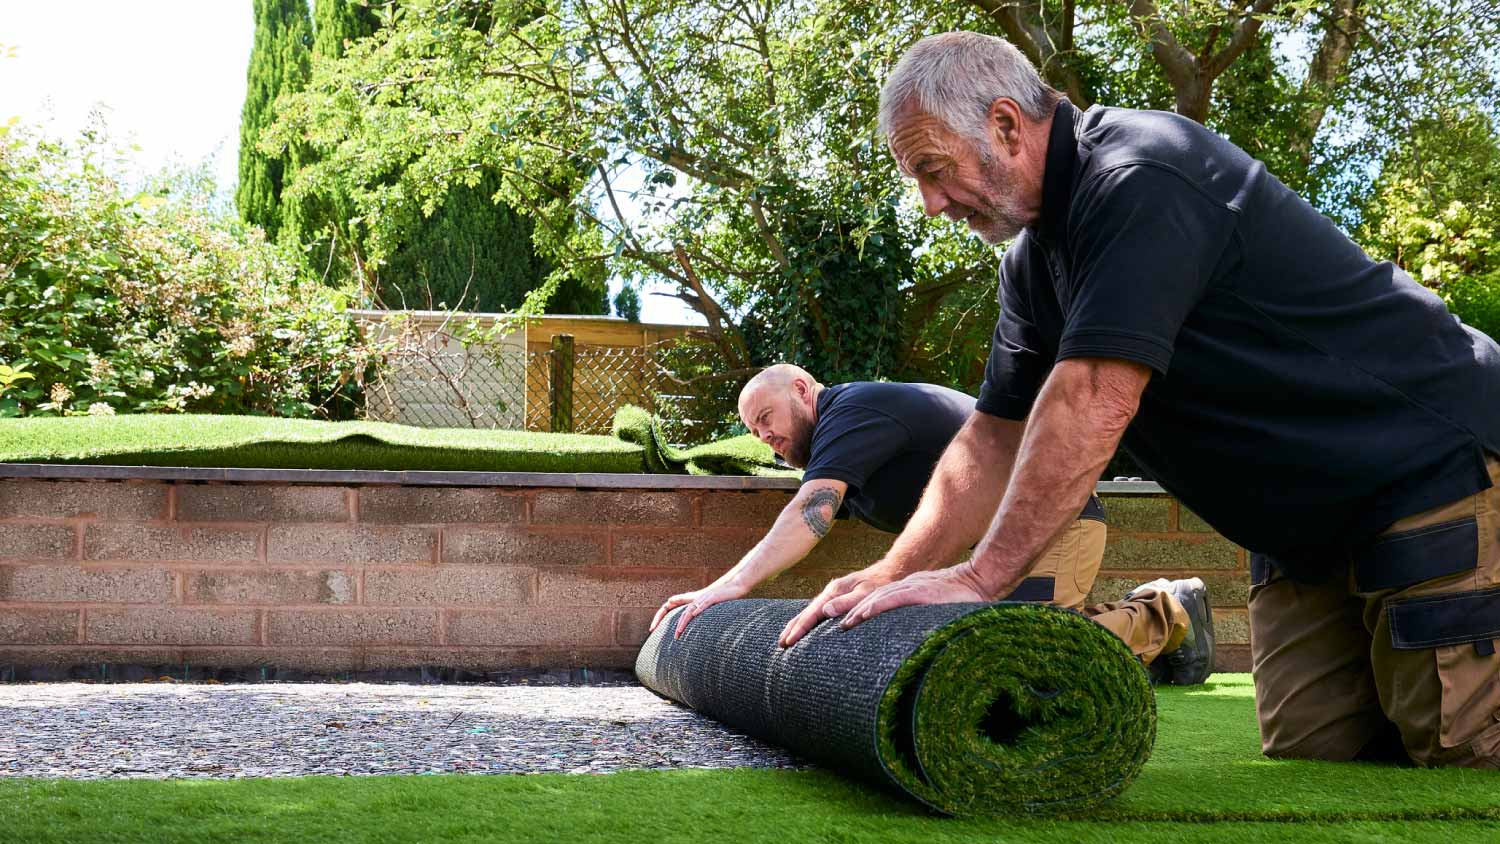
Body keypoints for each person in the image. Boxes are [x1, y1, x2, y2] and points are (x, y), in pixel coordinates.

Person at [782, 31, 1500, 769]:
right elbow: (992, 438)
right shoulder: (1033, 264)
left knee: (1463, 753)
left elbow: (1093, 396)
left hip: (1427, 470)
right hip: (1303, 537)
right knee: (1318, 755)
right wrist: (890, 576)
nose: (931, 205)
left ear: (1005, 123)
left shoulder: (1141, 175)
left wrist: (979, 578)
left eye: (934, 171)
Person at [650, 363, 1216, 684]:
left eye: (766, 419)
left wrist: (727, 587)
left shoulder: (850, 411)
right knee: (986, 657)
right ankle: (1147, 635)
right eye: (754, 431)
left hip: (1054, 521)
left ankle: (1165, 613)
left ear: (802, 390)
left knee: (1029, 655)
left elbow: (809, 514)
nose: (764, 437)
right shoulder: (848, 449)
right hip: (990, 549)